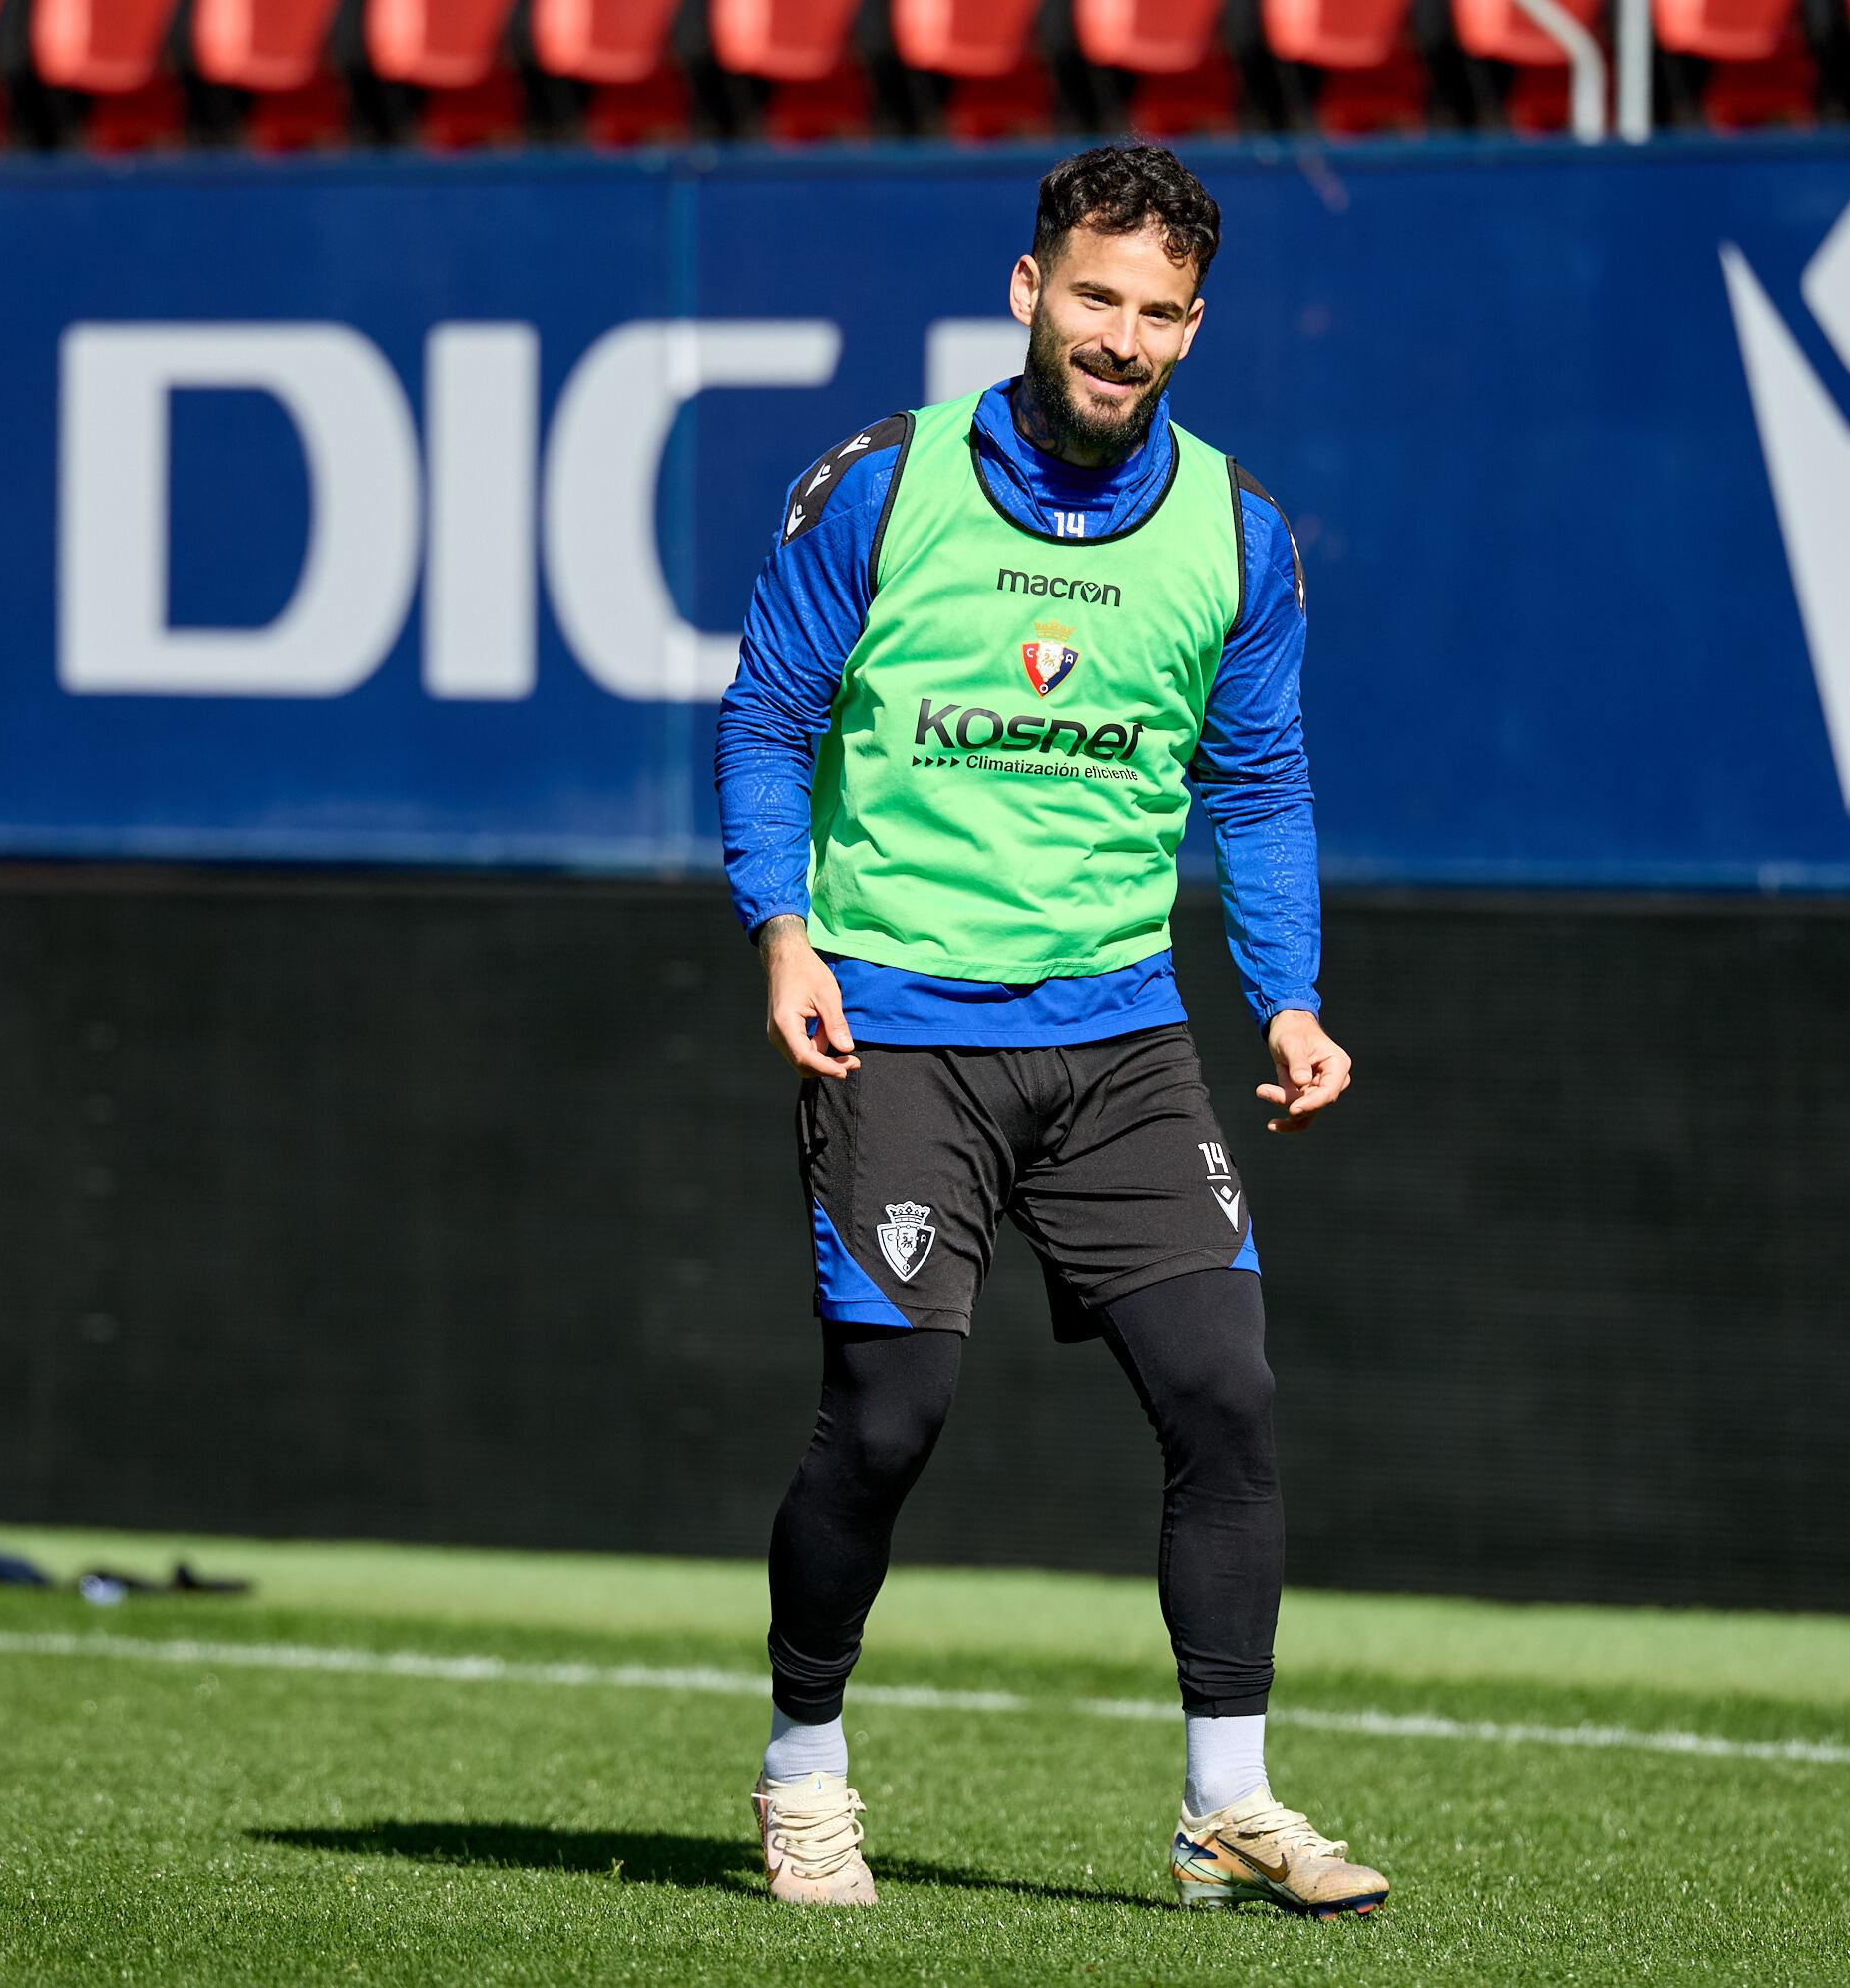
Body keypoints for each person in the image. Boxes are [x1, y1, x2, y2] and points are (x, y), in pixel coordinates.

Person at [710, 143, 1385, 1919]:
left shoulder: (1236, 529)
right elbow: (770, 713)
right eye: (1096, 298)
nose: (1123, 338)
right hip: (900, 1031)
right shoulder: (883, 484)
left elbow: (1259, 780)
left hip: (1122, 1042)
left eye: (1160, 314)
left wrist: (1291, 994)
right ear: (1028, 291)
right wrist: (782, 932)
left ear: (1193, 330)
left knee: (1226, 1396)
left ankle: (1222, 1806)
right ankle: (801, 1774)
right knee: (889, 1419)